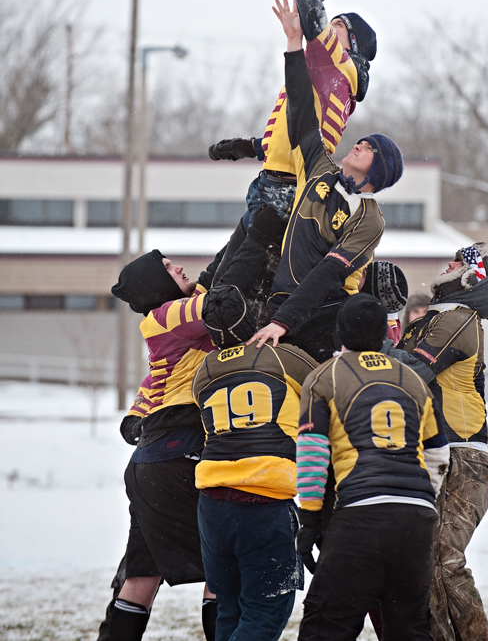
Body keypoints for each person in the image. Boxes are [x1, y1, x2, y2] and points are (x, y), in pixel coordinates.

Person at [97, 206, 285, 641]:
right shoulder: (165, 316)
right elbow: (221, 299)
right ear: (155, 286)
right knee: (220, 568)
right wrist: (258, 240)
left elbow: (218, 269)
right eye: (167, 267)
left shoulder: (169, 325)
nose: (178, 266)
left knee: (142, 574)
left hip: (151, 464)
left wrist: (250, 220)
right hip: (184, 452)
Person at [207, 0, 377, 288]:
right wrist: (250, 146)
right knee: (214, 283)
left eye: (336, 25)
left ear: (349, 41)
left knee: (234, 292)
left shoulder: (341, 66)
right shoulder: (325, 73)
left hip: (285, 194)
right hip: (271, 182)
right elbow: (296, 129)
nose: (326, 26)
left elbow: (311, 1)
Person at [248, 0, 404, 363]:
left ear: (377, 172)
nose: (359, 144)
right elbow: (301, 108)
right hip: (282, 308)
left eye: (368, 149)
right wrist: (292, 45)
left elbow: (327, 274)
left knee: (316, 401)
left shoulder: (369, 218)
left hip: (321, 318)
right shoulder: (321, 169)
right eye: (362, 141)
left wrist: (283, 323)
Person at [295, 294, 450, 641]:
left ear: (340, 332)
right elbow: (439, 453)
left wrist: (309, 518)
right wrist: (418, 500)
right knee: (409, 628)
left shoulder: (325, 377)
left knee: (326, 626)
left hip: (360, 516)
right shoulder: (412, 379)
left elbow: (312, 451)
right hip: (416, 519)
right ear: (385, 333)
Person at [191, 284, 318, 641]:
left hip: (212, 504)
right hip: (263, 500)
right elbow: (330, 386)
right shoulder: (282, 356)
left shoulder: (204, 371)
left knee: (230, 608)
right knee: (265, 612)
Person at [396, 243, 488, 641]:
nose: (449, 265)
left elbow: (410, 371)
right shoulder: (436, 318)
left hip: (460, 455)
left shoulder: (458, 318)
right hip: (437, 453)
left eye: (459, 262)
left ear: (472, 277)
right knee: (425, 564)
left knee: (443, 562)